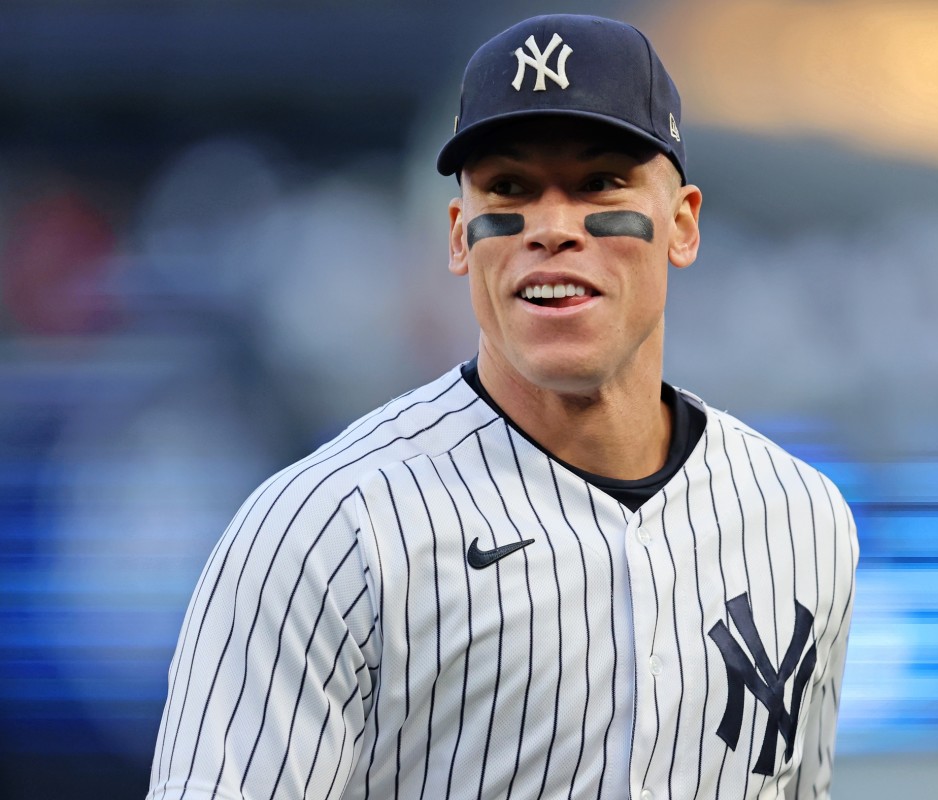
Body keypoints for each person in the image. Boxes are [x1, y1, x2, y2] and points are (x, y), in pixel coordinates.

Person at [146, 13, 857, 800]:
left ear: (682, 223)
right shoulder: (328, 531)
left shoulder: (804, 519)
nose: (552, 228)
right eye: (509, 188)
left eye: (599, 183)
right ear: (460, 236)